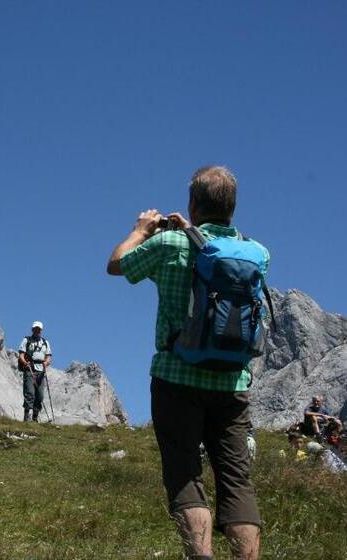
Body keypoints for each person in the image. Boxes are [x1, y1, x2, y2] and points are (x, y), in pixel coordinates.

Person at [107, 166, 265, 559]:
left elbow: (117, 264)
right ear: (232, 207)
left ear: (193, 203)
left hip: (176, 376)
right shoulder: (256, 253)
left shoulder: (170, 243)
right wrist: (190, 230)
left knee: (185, 474)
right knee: (237, 482)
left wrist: (141, 230)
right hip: (232, 382)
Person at [18, 321, 52, 422]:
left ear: (41, 330)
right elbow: (21, 354)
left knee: (40, 395)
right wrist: (25, 363)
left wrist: (46, 362)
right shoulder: (26, 340)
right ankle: (26, 416)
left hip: (41, 370)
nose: (37, 330)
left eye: (39, 329)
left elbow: (48, 356)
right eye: (35, 329)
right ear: (32, 329)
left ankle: (35, 417)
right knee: (30, 393)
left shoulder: (45, 342)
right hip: (29, 369)